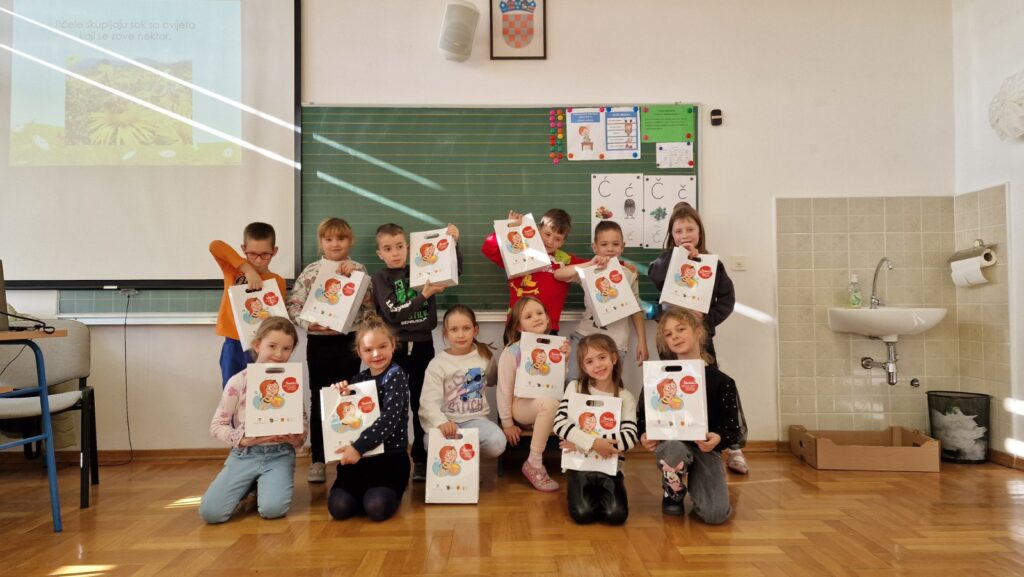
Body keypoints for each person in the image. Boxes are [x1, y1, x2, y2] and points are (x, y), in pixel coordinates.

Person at [647, 203, 748, 475]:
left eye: (690, 229)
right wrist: (678, 256)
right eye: (678, 231)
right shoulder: (666, 261)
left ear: (700, 232)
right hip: (670, 338)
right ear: (671, 235)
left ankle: (731, 446)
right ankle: (676, 443)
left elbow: (727, 299)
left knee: (711, 386)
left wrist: (708, 320)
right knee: (671, 386)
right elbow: (654, 274)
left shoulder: (712, 265)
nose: (685, 235)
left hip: (700, 338)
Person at [286, 217, 375, 483]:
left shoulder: (359, 269)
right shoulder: (312, 271)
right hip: (319, 343)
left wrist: (357, 278)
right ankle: (318, 459)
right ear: (321, 242)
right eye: (329, 239)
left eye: (341, 238)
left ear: (350, 241)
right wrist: (308, 323)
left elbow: (370, 307)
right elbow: (294, 306)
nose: (335, 244)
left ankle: (349, 455)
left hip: (349, 343)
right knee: (319, 398)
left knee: (349, 396)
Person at [372, 222, 463, 481]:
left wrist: (454, 244)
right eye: (388, 248)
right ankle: (394, 457)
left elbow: (453, 270)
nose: (395, 252)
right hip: (395, 348)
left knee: (423, 402)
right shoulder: (381, 278)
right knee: (394, 404)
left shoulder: (424, 267)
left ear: (408, 247)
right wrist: (424, 294)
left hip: (423, 345)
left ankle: (421, 459)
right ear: (380, 253)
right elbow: (393, 314)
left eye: (399, 246)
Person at [640, 308, 744, 524]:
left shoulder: (721, 381)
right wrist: (644, 435)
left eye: (681, 329)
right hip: (673, 446)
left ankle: (698, 483)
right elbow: (643, 417)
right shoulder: (657, 378)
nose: (675, 336)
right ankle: (673, 488)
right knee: (673, 448)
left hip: (705, 449)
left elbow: (732, 429)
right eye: (668, 334)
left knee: (715, 515)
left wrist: (718, 438)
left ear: (698, 332)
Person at [199, 317, 307, 524]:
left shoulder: (290, 382)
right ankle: (246, 485)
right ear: (257, 345)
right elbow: (217, 426)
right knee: (211, 513)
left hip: (280, 454)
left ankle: (262, 484)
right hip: (244, 455)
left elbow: (302, 425)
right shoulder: (238, 381)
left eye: (286, 349)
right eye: (272, 346)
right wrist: (242, 440)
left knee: (273, 510)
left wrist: (295, 437)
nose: (279, 354)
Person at [326, 314, 410, 522]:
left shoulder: (396, 375)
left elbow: (389, 419)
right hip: (361, 461)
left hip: (389, 459)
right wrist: (341, 396)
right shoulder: (358, 379)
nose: (376, 354)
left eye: (382, 346)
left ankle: (380, 493)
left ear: (393, 345)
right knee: (339, 508)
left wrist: (358, 447)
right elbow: (349, 418)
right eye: (368, 349)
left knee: (376, 507)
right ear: (359, 352)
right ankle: (364, 493)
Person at [553, 334, 638, 525]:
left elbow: (630, 438)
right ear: (583, 367)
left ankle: (602, 492)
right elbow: (559, 424)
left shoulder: (625, 397)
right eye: (589, 361)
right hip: (579, 466)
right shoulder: (575, 388)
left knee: (616, 516)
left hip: (611, 467)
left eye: (602, 357)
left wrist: (581, 444)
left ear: (614, 358)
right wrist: (594, 443)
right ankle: (580, 490)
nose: (597, 365)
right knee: (583, 514)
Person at [554, 220, 649, 381]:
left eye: (615, 244)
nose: (610, 249)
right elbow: (558, 274)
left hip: (615, 343)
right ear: (595, 247)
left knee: (606, 389)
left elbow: (636, 308)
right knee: (573, 385)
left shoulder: (630, 273)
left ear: (622, 247)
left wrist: (642, 341)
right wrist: (590, 264)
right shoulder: (588, 270)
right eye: (604, 244)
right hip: (585, 337)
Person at [482, 209, 586, 338]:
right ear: (537, 229)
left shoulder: (566, 261)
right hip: (517, 325)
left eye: (557, 239)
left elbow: (595, 267)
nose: (550, 241)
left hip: (548, 327)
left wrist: (605, 260)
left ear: (562, 242)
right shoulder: (519, 252)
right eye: (547, 234)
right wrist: (509, 227)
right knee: (513, 352)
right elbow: (488, 248)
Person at [419, 305, 506, 459]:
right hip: (447, 422)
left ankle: (466, 461)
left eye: (466, 328)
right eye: (454, 329)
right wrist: (441, 423)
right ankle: (457, 463)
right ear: (446, 333)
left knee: (497, 442)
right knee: (429, 443)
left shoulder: (485, 356)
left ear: (475, 330)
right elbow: (428, 401)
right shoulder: (437, 364)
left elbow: (494, 380)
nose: (460, 335)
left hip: (476, 421)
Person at [495, 296, 563, 492]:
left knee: (563, 404)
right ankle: (534, 462)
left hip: (544, 403)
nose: (536, 318)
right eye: (528, 316)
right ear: (519, 326)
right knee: (550, 404)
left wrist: (564, 359)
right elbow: (504, 388)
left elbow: (557, 381)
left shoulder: (554, 346)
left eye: (540, 313)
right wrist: (507, 423)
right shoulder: (513, 350)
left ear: (548, 318)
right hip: (521, 405)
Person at [209, 222, 287, 386]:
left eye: (265, 254)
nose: (258, 260)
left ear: (274, 251)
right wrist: (247, 269)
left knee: (259, 389)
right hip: (234, 343)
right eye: (252, 254)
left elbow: (278, 318)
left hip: (262, 345)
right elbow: (215, 246)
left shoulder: (278, 281)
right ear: (243, 249)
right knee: (232, 389)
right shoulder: (233, 270)